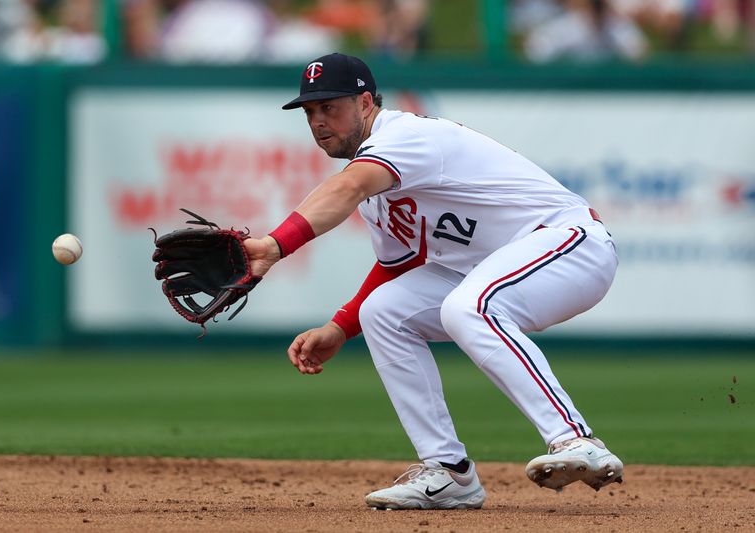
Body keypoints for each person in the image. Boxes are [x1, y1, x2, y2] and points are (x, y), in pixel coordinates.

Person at [243, 52, 624, 510]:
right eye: (311, 112)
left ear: (366, 103)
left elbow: (345, 188)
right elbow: (395, 267)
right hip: (491, 266)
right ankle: (448, 474)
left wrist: (274, 246)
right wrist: (341, 327)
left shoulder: (404, 136)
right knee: (383, 312)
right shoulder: (375, 191)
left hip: (570, 245)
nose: (319, 121)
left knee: (469, 306)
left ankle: (574, 440)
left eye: (331, 106)